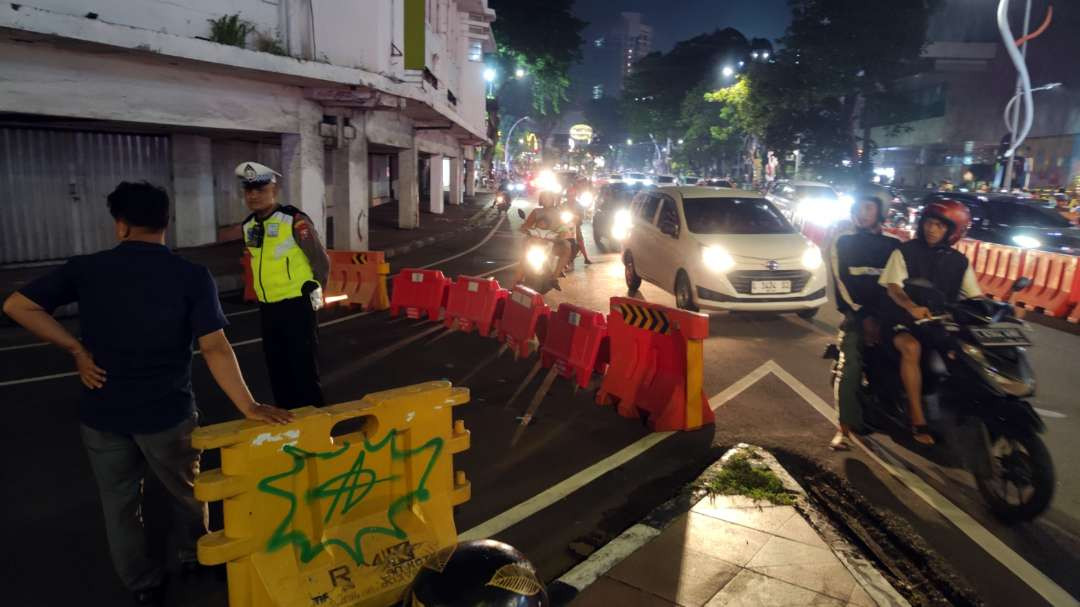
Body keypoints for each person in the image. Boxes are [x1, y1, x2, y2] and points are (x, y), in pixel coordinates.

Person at [2, 181, 293, 606]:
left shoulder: (86, 268)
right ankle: (196, 555)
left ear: (120, 226)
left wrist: (76, 350)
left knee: (119, 505)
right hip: (168, 414)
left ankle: (142, 584)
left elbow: (16, 305)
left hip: (103, 414)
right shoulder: (191, 276)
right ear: (166, 224)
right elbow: (214, 347)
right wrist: (248, 405)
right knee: (187, 492)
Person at [879, 199, 982, 446]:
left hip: (938, 325)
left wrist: (999, 310)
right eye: (929, 222)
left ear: (952, 231)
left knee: (967, 355)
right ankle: (918, 419)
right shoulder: (905, 251)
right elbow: (893, 286)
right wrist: (911, 307)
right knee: (912, 348)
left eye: (939, 225)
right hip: (901, 321)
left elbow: (975, 296)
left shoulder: (959, 261)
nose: (931, 229)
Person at [237, 161, 331, 409]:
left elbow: (320, 261)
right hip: (268, 307)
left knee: (303, 370)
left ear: (274, 190)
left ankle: (315, 425)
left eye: (260, 189)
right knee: (277, 369)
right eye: (249, 190)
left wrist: (316, 293)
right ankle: (288, 423)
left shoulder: (294, 220)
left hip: (297, 304)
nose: (253, 195)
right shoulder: (248, 226)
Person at [828, 197, 899, 450]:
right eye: (858, 207)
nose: (862, 212)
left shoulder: (895, 245)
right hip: (857, 316)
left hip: (889, 318)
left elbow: (901, 284)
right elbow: (841, 283)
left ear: (881, 211)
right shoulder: (843, 241)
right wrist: (864, 316)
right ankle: (844, 429)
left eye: (868, 207)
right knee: (851, 367)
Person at [514, 193, 573, 290]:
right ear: (541, 200)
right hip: (536, 241)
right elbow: (527, 224)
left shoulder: (558, 212)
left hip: (552, 241)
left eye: (548, 198)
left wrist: (563, 233)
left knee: (567, 247)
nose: (546, 200)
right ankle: (516, 284)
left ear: (552, 200)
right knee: (524, 258)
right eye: (544, 198)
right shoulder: (536, 212)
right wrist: (524, 228)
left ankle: (554, 277)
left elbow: (563, 226)